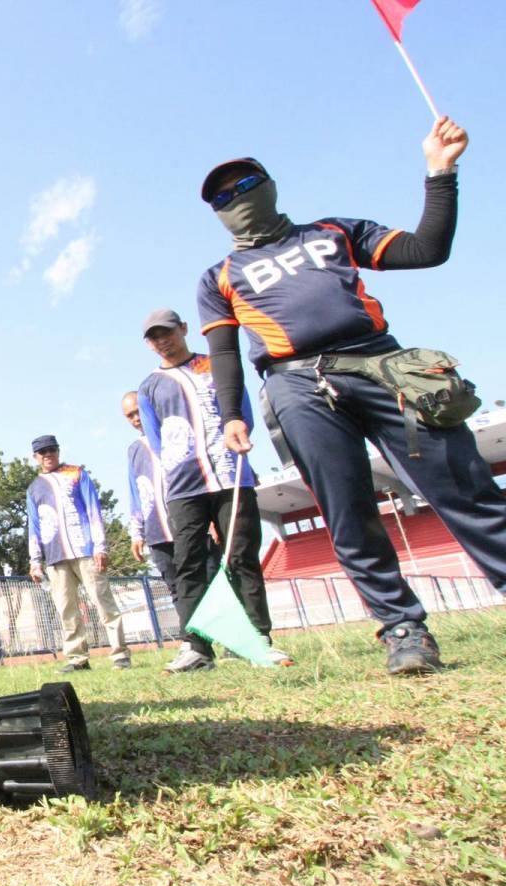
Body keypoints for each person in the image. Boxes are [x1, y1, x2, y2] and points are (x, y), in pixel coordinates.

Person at [197, 115, 506, 675]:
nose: (236, 196)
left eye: (245, 185)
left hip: (384, 364)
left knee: (463, 484)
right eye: (223, 195)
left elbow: (426, 250)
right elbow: (224, 355)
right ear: (216, 213)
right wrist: (230, 417)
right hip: (296, 384)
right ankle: (403, 630)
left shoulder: (332, 231)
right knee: (347, 514)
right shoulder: (218, 276)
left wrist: (441, 173)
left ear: (267, 185)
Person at [137, 311, 290, 672]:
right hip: (183, 487)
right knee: (187, 564)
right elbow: (156, 440)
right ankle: (196, 647)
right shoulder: (149, 387)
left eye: (167, 332)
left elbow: (242, 413)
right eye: (154, 337)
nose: (162, 340)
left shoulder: (217, 366)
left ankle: (259, 639)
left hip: (231, 475)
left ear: (183, 329)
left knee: (241, 558)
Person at [25, 435, 130, 672]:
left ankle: (120, 654)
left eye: (51, 450)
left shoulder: (77, 474)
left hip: (85, 550)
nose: (47, 455)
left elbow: (94, 510)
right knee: (66, 609)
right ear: (35, 457)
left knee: (104, 603)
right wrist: (35, 561)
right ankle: (77, 658)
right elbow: (34, 525)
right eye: (42, 452)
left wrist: (100, 547)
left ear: (58, 451)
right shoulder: (33, 488)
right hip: (55, 556)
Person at [121, 391, 221, 614]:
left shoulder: (177, 432)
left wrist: (213, 517)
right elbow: (136, 492)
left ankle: (230, 643)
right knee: (177, 590)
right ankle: (195, 643)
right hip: (158, 532)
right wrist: (137, 533)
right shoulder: (134, 450)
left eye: (139, 411)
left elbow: (201, 476)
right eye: (130, 415)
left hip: (193, 525)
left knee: (212, 586)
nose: (136, 418)